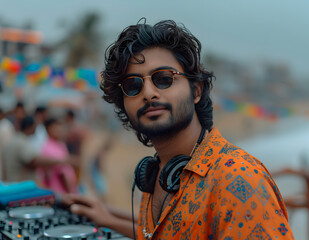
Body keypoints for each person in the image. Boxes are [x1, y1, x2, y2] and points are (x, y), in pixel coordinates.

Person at [67, 20, 294, 239]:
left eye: (164, 79)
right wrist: (108, 219)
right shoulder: (155, 175)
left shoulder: (237, 178)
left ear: (196, 91)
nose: (148, 93)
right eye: (133, 85)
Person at [2, 115, 75, 184]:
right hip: (21, 186)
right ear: (29, 127)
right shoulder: (21, 142)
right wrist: (61, 161)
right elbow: (34, 160)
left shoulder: (15, 140)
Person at [37, 117, 78, 194]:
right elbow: (62, 173)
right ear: (49, 129)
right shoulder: (48, 148)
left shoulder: (60, 144)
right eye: (56, 129)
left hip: (68, 190)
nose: (60, 131)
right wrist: (70, 192)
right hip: (61, 192)